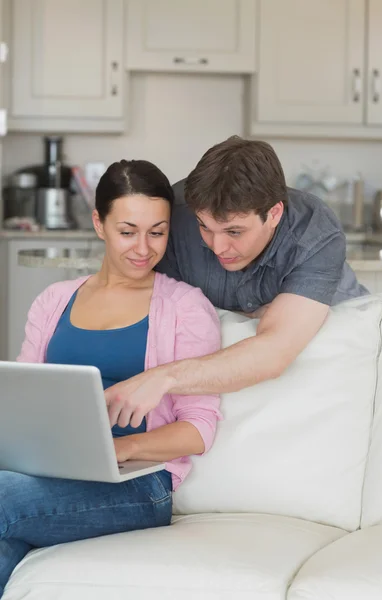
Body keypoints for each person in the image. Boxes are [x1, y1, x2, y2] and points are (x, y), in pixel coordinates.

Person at [0, 159, 221, 598]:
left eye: (156, 232)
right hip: (47, 473)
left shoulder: (185, 307)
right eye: (127, 231)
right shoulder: (53, 301)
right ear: (99, 223)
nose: (143, 248)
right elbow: (23, 399)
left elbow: (199, 428)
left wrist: (119, 450)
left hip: (140, 484)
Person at [105, 136, 369, 428]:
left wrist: (164, 378)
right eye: (205, 227)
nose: (217, 247)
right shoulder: (175, 216)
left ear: (274, 214)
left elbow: (274, 352)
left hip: (337, 347)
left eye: (234, 232)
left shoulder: (314, 232)